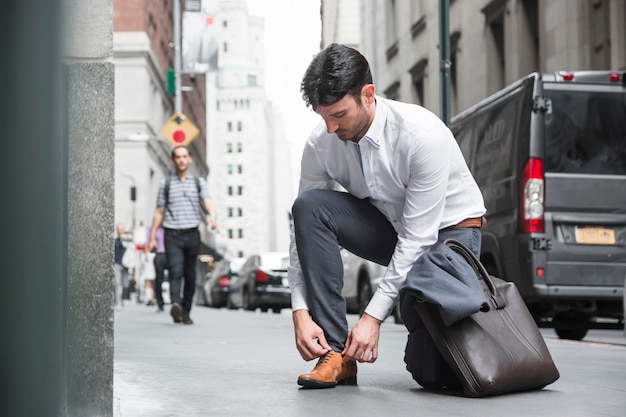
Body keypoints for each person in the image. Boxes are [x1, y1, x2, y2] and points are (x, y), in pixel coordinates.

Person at [288, 43, 487, 389]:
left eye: (339, 115)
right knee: (308, 207)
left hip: (448, 236)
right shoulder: (321, 143)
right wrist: (300, 311)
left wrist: (371, 318)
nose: (331, 128)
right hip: (390, 228)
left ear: (368, 94)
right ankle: (336, 355)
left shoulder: (422, 135)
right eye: (324, 117)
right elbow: (300, 233)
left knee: (435, 371)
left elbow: (418, 238)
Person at [147, 145, 217, 325]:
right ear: (173, 160)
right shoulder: (166, 184)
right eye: (178, 157)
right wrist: (152, 237)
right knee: (175, 271)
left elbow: (207, 201)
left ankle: (186, 311)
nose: (181, 160)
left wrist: (212, 216)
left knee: (190, 275)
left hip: (192, 234)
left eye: (184, 156)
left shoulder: (198, 182)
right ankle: (176, 304)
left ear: (190, 159)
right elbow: (159, 212)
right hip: (172, 235)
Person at [148, 225, 168, 312]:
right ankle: (160, 303)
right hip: (159, 254)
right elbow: (148, 242)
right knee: (159, 280)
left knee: (175, 277)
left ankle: (176, 302)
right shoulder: (154, 229)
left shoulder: (170, 227)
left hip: (171, 255)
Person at [113, 223, 130, 310]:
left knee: (125, 284)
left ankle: (122, 300)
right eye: (119, 229)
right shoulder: (116, 240)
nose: (121, 230)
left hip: (126, 265)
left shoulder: (128, 240)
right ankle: (118, 302)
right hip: (117, 263)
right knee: (117, 283)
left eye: (122, 229)